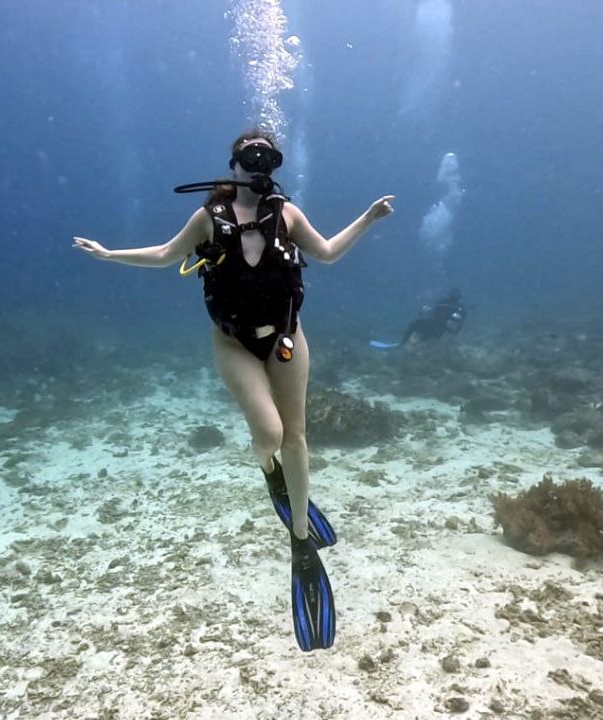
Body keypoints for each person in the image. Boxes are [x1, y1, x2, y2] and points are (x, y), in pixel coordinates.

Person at [74, 129, 395, 651]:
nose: (259, 162)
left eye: (267, 155)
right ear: (235, 165)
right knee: (268, 434)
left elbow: (330, 253)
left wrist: (369, 217)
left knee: (297, 436)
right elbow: (163, 255)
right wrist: (110, 255)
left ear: (273, 164)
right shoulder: (208, 219)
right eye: (250, 155)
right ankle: (269, 472)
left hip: (287, 337)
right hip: (233, 344)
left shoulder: (287, 216)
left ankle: (299, 542)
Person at [369, 288, 465, 350]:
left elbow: (433, 313)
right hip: (439, 329)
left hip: (436, 327)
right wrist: (452, 333)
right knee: (419, 330)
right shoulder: (457, 307)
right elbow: (458, 323)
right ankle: (410, 346)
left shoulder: (451, 305)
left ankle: (403, 345)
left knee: (415, 326)